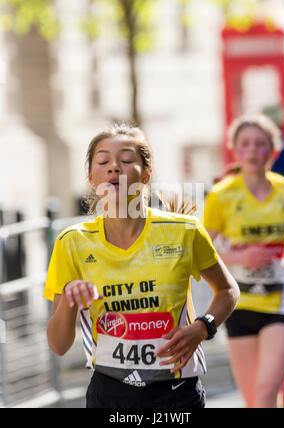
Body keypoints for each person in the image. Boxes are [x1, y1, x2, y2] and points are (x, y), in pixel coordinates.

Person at [44, 123, 239, 409]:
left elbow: (227, 290)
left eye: (125, 160)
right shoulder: (72, 242)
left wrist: (202, 328)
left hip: (176, 392)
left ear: (146, 175)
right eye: (103, 161)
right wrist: (71, 300)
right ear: (91, 177)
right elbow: (58, 345)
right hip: (109, 394)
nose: (113, 168)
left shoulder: (184, 231)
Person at [203, 114, 284, 408]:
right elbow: (201, 252)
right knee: (254, 402)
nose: (253, 150)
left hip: (280, 302)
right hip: (239, 305)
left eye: (260, 144)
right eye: (245, 144)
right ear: (235, 149)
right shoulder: (221, 196)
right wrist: (239, 256)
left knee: (264, 394)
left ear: (272, 150)